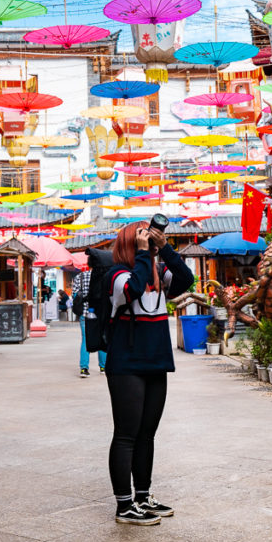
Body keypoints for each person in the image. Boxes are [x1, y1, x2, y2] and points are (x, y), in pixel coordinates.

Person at [104, 221, 193, 525]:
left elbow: (186, 278)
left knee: (147, 435)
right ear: (131, 243)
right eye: (143, 239)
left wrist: (165, 247)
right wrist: (144, 254)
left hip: (156, 362)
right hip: (126, 365)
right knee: (127, 434)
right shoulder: (116, 275)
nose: (149, 243)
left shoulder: (157, 274)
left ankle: (142, 497)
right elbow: (132, 289)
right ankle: (124, 505)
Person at [72, 269, 106, 377]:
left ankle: (84, 369)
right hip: (100, 313)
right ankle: (103, 367)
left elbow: (74, 295)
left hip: (85, 313)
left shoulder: (80, 276)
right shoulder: (104, 276)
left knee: (85, 340)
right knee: (101, 338)